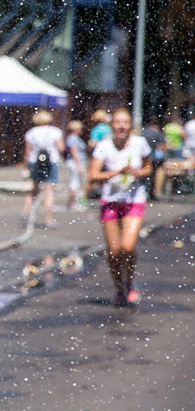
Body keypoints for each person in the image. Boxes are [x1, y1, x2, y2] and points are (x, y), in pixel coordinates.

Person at [88, 108, 152, 306]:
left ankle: (130, 282)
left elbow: (149, 168)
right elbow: (93, 175)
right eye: (117, 122)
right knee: (114, 251)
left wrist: (137, 172)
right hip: (110, 202)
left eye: (125, 122)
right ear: (111, 125)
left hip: (134, 201)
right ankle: (119, 289)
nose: (121, 126)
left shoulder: (140, 143)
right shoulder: (104, 146)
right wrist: (116, 172)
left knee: (127, 247)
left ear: (130, 125)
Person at [21, 110, 65, 229]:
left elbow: (27, 151)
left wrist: (26, 166)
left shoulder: (31, 132)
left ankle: (25, 212)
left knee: (34, 188)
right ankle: (49, 220)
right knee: (49, 191)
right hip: (51, 161)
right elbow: (61, 148)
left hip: (35, 161)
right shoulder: (55, 131)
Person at [64, 120, 88, 212]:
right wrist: (79, 165)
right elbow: (74, 152)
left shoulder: (73, 138)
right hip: (75, 162)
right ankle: (73, 203)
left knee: (75, 182)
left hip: (74, 162)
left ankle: (72, 202)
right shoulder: (73, 138)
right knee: (75, 183)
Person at [140, 119, 166, 202]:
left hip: (144, 157)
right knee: (153, 176)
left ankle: (145, 192)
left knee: (144, 177)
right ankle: (151, 193)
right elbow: (163, 145)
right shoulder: (157, 133)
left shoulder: (144, 132)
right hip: (153, 157)